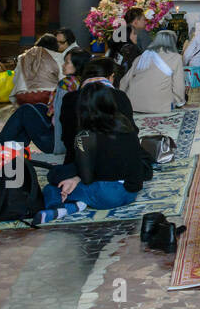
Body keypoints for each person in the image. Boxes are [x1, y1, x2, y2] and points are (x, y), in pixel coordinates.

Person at [34, 82, 151, 225]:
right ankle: (77, 205)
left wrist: (74, 178)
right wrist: (76, 178)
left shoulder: (85, 136)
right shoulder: (124, 123)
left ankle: (59, 208)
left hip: (108, 194)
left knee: (53, 186)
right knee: (70, 180)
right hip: (131, 192)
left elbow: (87, 178)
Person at [61, 59, 135, 165]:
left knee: (57, 175)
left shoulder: (69, 98)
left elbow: (67, 136)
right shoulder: (119, 96)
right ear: (111, 77)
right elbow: (131, 131)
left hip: (79, 159)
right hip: (117, 160)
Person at [119, 30, 186, 113]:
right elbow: (178, 85)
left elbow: (125, 80)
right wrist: (180, 102)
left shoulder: (142, 56)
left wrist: (121, 99)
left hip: (134, 104)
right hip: (160, 106)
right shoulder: (176, 58)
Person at [11, 35, 61, 102]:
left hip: (21, 96)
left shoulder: (21, 57)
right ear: (55, 45)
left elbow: (14, 79)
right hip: (47, 96)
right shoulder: (57, 56)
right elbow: (62, 79)